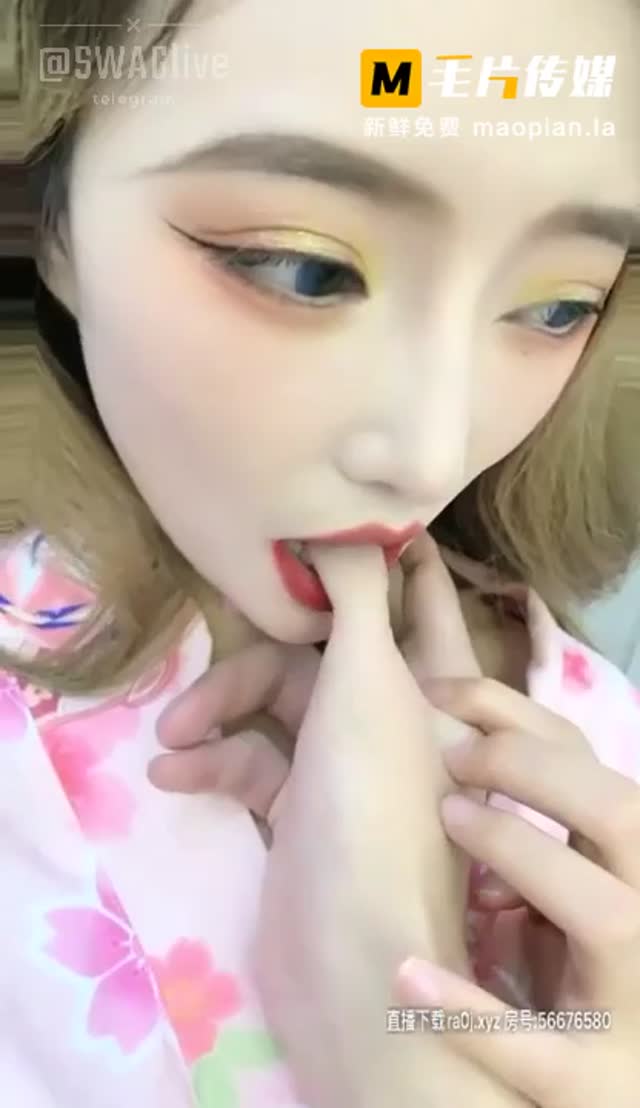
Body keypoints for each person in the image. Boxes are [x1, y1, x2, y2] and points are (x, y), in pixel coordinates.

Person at [2, 0, 640, 1103]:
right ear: (40, 214)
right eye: (306, 271)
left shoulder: (599, 768)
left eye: (555, 307)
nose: (433, 453)